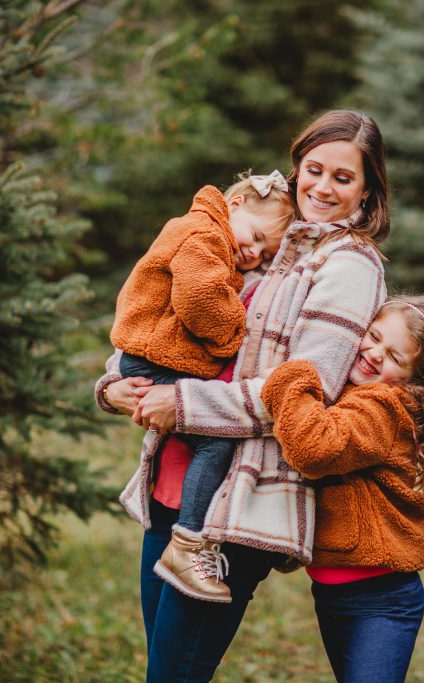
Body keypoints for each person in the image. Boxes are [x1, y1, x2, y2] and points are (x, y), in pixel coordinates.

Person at [97, 110, 391, 682]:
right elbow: (165, 316)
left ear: (367, 190)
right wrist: (114, 384)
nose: (322, 188)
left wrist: (183, 404)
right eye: (314, 170)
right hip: (172, 484)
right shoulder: (268, 236)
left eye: (343, 177)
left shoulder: (350, 267)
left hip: (236, 504)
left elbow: (304, 393)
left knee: (174, 674)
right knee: (161, 667)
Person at [110, 170, 293, 603]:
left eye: (264, 252)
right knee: (215, 441)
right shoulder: (205, 234)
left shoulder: (203, 232)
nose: (253, 253)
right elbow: (198, 299)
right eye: (254, 237)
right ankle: (188, 545)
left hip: (150, 356)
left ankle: (186, 542)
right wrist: (233, 334)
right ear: (234, 205)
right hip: (152, 360)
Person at [261, 294, 424, 683]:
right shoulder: (353, 394)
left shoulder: (385, 407)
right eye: (374, 336)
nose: (375, 354)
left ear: (412, 377)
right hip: (332, 595)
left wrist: (291, 375)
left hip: (381, 600)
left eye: (395, 357)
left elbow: (314, 448)